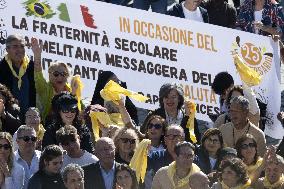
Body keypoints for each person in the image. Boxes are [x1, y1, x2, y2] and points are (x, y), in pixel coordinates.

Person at [0, 35, 40, 119]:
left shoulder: (30, 66)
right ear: (7, 49)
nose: (20, 50)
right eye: (15, 46)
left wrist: (37, 54)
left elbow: (41, 87)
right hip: (8, 119)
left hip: (29, 120)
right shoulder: (1, 67)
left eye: (22, 46)